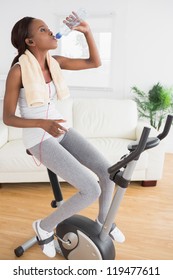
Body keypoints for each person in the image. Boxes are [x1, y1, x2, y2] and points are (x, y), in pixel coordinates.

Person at [3, 12, 125, 258]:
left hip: (59, 129)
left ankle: (103, 222)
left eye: (48, 28)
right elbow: (8, 118)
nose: (50, 31)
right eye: (42, 30)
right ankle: (44, 226)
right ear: (30, 42)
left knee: (108, 171)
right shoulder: (18, 71)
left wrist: (87, 31)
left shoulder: (54, 61)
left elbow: (94, 62)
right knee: (91, 189)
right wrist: (43, 124)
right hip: (38, 137)